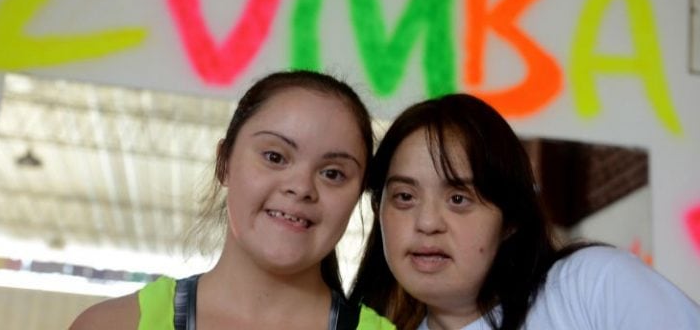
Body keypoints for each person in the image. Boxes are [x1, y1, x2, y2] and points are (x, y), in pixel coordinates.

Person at [71, 70, 395, 330]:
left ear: (359, 196)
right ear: (224, 163)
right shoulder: (111, 324)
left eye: (333, 174)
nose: (301, 187)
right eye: (274, 156)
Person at [350, 93, 700, 330]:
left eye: (458, 199)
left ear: (510, 221)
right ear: (378, 209)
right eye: (405, 197)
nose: (426, 223)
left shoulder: (590, 284)